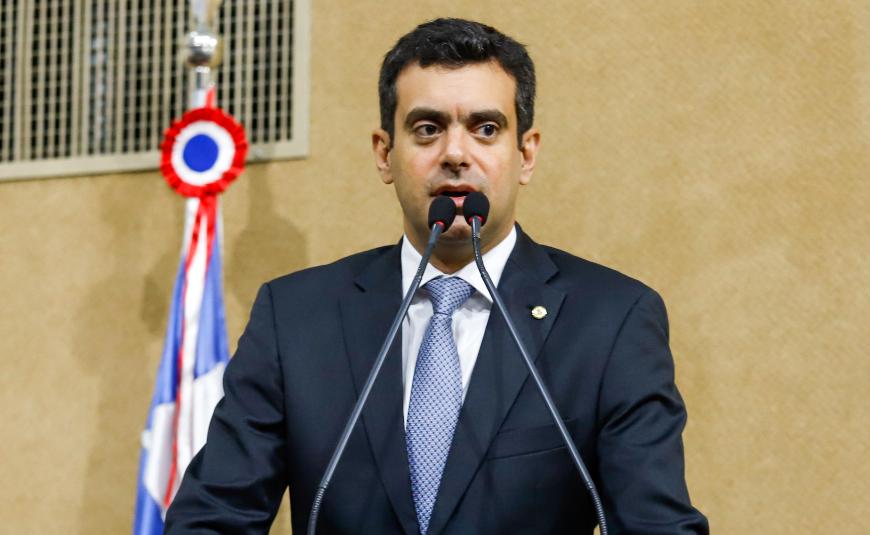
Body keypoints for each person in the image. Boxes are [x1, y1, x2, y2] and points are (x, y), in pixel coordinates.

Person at [165, 18, 709, 534]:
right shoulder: (296, 318)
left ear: (525, 154)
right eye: (427, 129)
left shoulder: (610, 321)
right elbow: (213, 517)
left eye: (486, 129)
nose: (455, 154)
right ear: (385, 154)